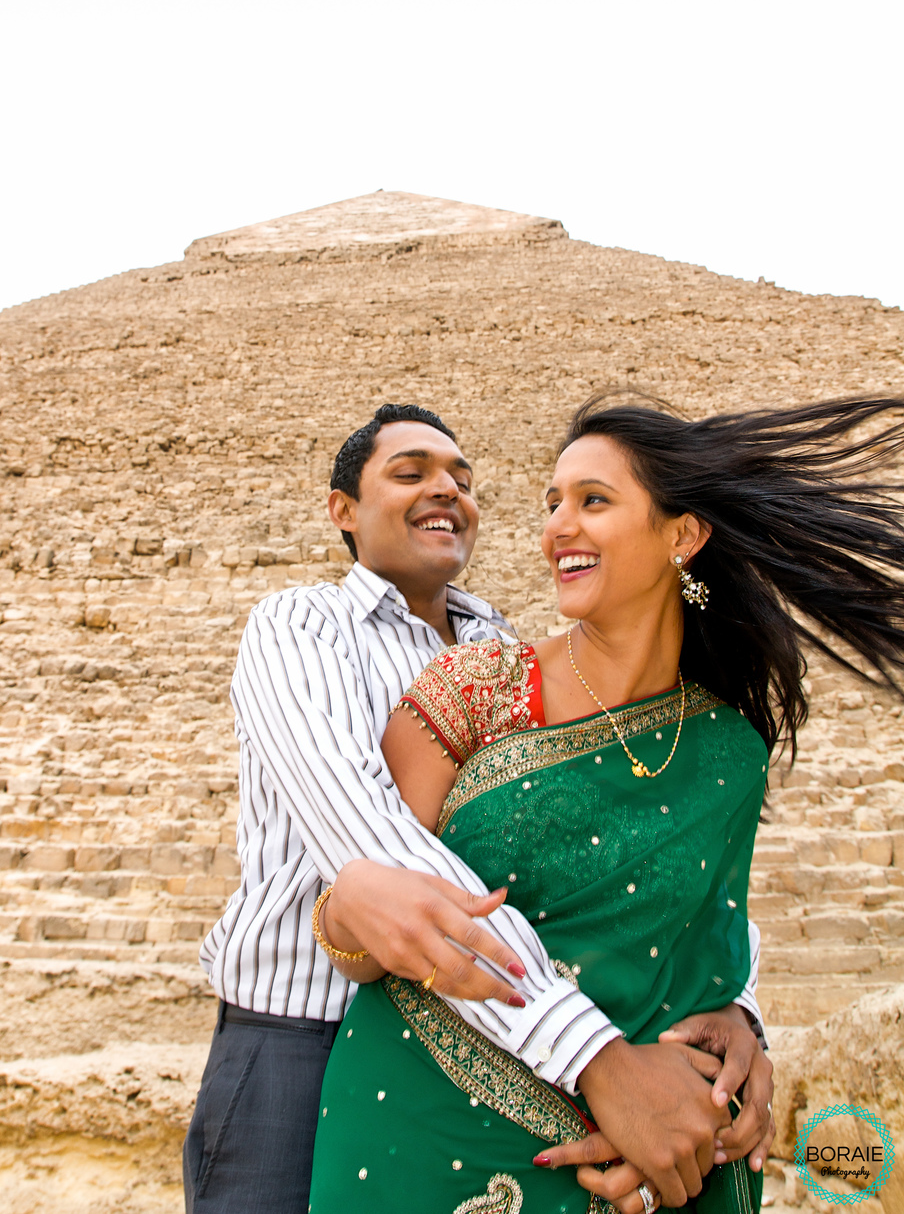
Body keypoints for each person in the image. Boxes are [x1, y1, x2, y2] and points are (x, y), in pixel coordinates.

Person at [309, 394, 904, 1214]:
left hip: (649, 1158)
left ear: (681, 536)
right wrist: (343, 913)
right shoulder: (474, 688)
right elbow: (372, 929)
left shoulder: (729, 751)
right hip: (422, 1122)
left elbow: (708, 951)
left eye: (593, 501)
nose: (557, 527)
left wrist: (741, 1026)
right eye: (552, 504)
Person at [184, 404, 771, 1214]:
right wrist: (602, 1063)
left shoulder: (497, 647)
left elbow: (673, 897)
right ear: (342, 511)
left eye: (463, 481)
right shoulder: (304, 627)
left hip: (529, 1059)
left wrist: (732, 1012)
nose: (447, 491)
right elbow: (384, 863)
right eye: (410, 473)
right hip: (297, 1040)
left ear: (682, 536)